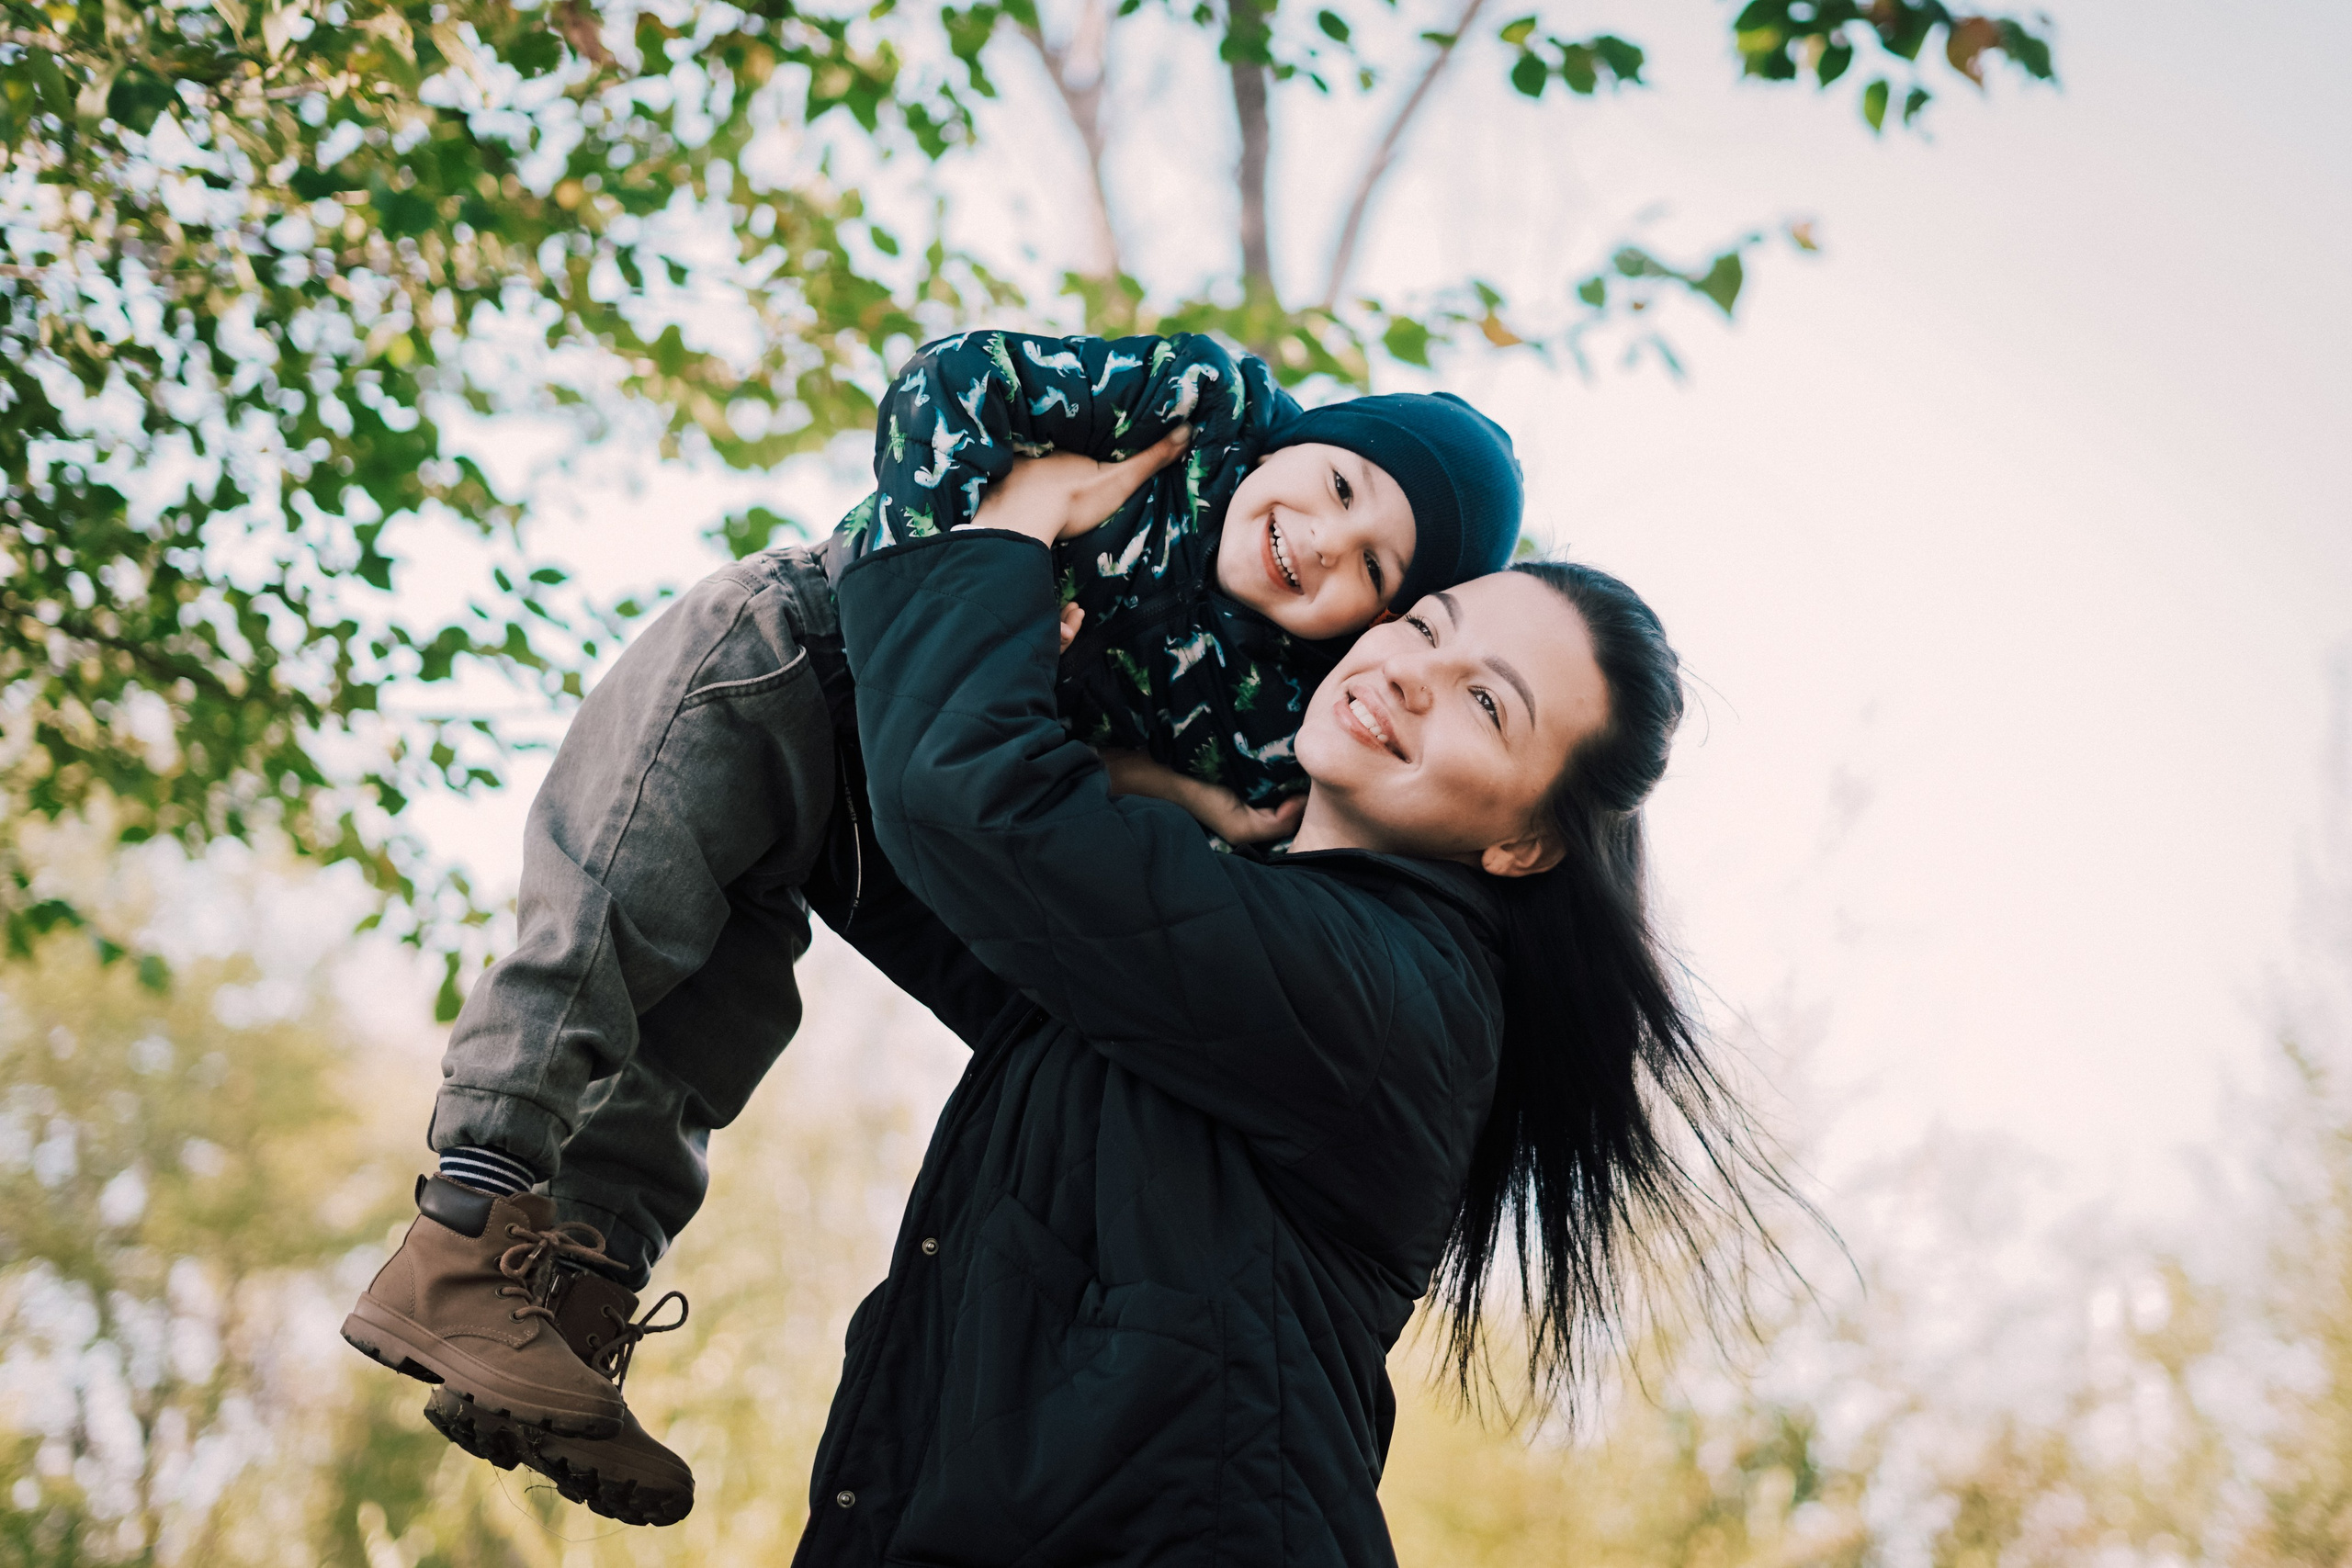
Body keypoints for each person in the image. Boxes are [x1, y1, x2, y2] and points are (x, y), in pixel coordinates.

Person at [337, 331, 1525, 1523]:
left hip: (885, 787)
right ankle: (468, 1213)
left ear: (1369, 615)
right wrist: (982, 546)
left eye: (1374, 567)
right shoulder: (1198, 409)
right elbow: (947, 384)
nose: (1324, 537)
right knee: (612, 921)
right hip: (803, 645)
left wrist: (1185, 790)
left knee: (715, 1008)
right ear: (1301, 433)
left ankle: (561, 1304)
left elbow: (1162, 827)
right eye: (1339, 484)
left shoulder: (1273, 698)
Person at [771, 448, 1768, 1563]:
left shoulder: (1395, 1003)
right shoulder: (1243, 926)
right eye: (1426, 627)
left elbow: (973, 809)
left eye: (1486, 703)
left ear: (1524, 842)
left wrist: (1010, 535)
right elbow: (925, 867)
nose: (1408, 675)